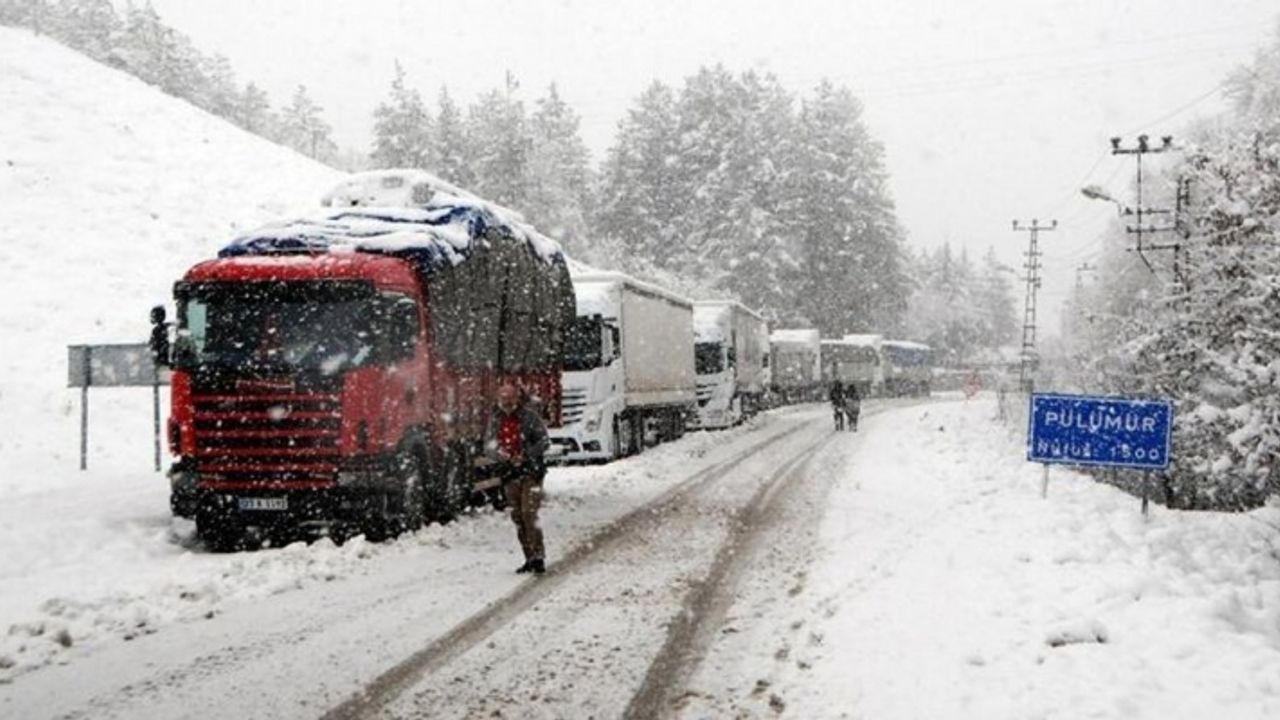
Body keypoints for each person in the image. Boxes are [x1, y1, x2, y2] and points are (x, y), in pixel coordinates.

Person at [485, 383, 550, 575]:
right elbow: (488, 445)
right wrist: (499, 454)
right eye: (503, 400)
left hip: (530, 472)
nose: (506, 404)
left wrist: (526, 454)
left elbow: (544, 441)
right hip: (509, 474)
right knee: (518, 517)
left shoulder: (530, 418)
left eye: (510, 400)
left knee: (529, 514)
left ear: (517, 400)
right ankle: (528, 557)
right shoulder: (495, 420)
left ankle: (538, 557)